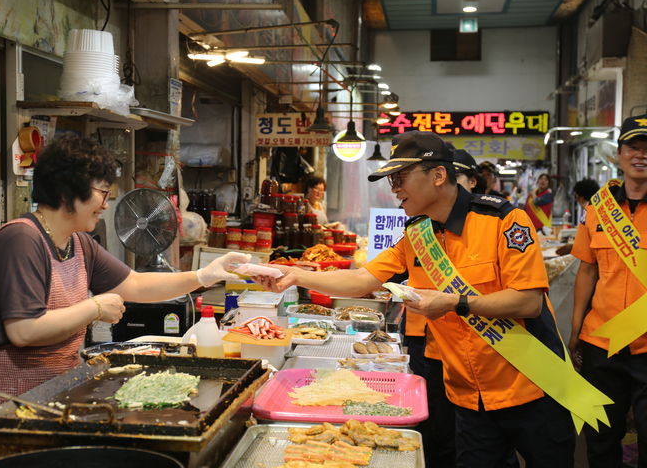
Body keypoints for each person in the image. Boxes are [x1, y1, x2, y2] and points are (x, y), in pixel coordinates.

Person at [255, 131, 577, 467]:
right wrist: (293, 275)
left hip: (533, 385)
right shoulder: (417, 234)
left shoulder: (504, 220)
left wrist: (456, 302)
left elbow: (528, 302)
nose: (394, 187)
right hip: (469, 396)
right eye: (391, 178)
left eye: (401, 177)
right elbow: (363, 278)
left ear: (438, 175)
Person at [0, 135, 250, 455]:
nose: (107, 203)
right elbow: (24, 330)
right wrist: (94, 307)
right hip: (8, 402)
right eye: (102, 192)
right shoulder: (21, 241)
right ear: (66, 192)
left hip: (54, 391)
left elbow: (136, 285)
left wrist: (203, 276)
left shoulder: (79, 243)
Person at [570, 115, 647, 467]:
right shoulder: (598, 208)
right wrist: (575, 332)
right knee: (601, 440)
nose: (640, 155)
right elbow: (587, 270)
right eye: (633, 147)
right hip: (602, 343)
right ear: (618, 154)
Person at [555, 179, 599, 256]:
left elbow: (591, 245)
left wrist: (572, 248)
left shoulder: (590, 213)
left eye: (576, 197)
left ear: (580, 198)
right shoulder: (599, 210)